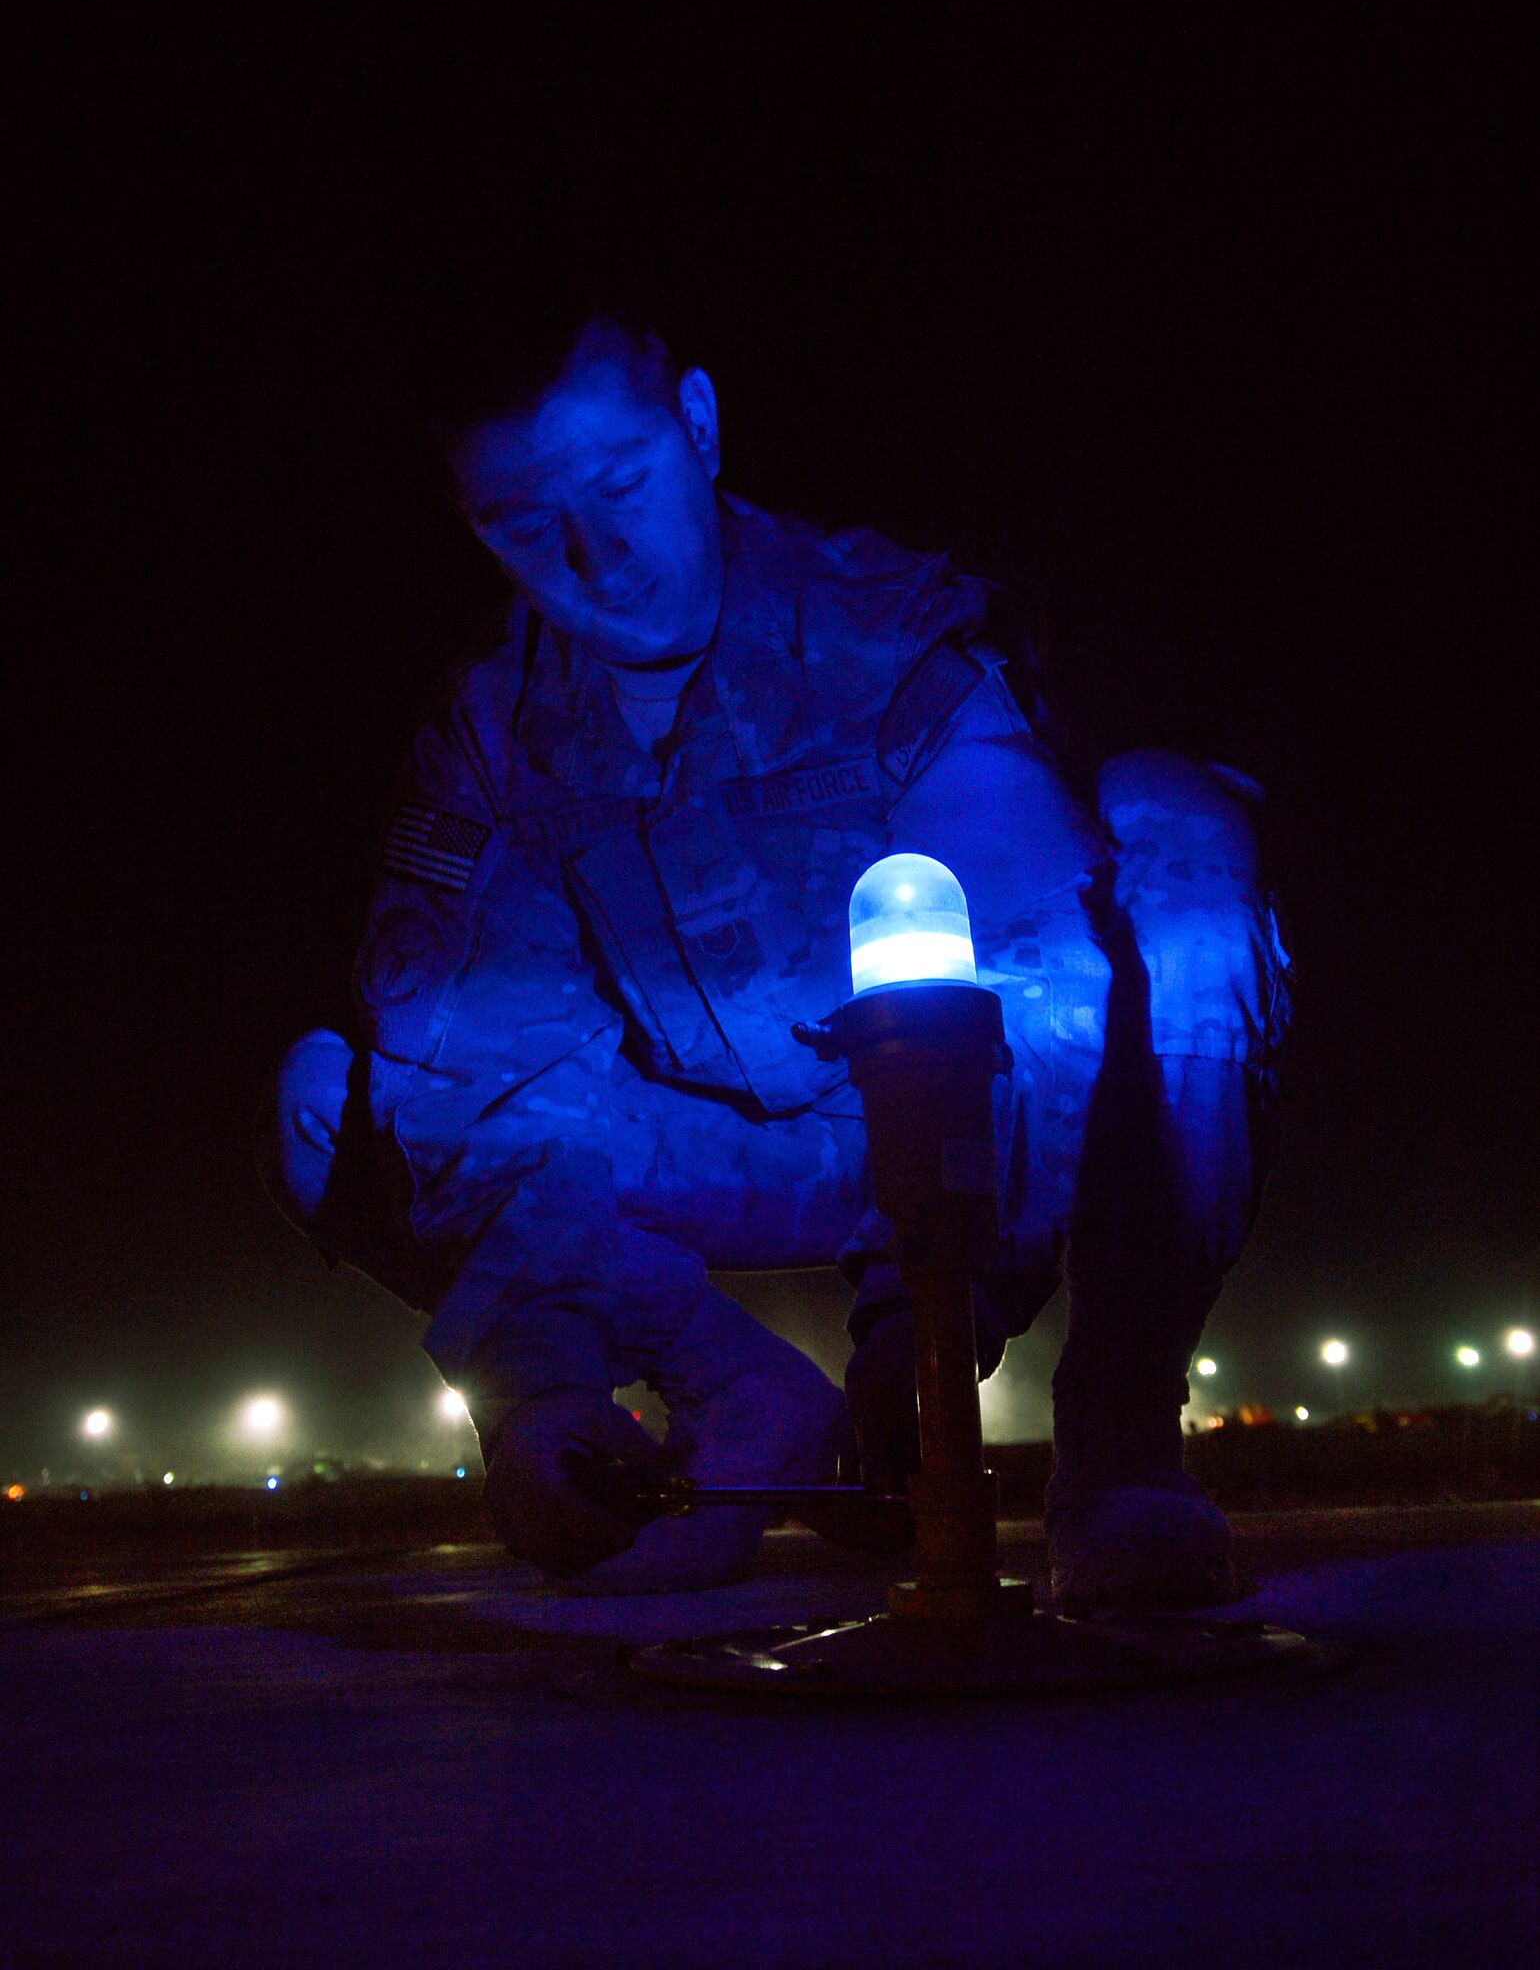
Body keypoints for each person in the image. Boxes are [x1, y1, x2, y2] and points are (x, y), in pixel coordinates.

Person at [261, 303, 1291, 1605]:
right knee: (330, 1108)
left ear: (698, 425)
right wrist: (534, 1393)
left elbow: (1039, 988)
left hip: (956, 1108)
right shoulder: (487, 737)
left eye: (623, 484)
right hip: (718, 1142)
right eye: (523, 523)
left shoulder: (894, 636)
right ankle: (746, 1404)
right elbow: (484, 1086)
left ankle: (1122, 1442)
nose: (596, 556)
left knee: (1185, 850)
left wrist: (924, 1333)